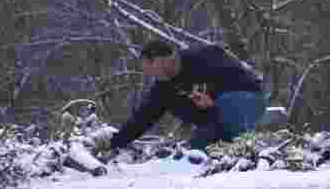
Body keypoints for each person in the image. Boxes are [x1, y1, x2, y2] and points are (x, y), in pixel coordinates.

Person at [105, 40, 266, 156]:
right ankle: (219, 156)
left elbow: (238, 76)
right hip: (215, 117)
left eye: (149, 68)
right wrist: (114, 143)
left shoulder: (202, 56)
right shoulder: (163, 87)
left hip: (246, 99)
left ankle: (245, 148)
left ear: (162, 60)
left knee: (227, 105)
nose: (148, 74)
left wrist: (213, 98)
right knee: (197, 149)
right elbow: (143, 117)